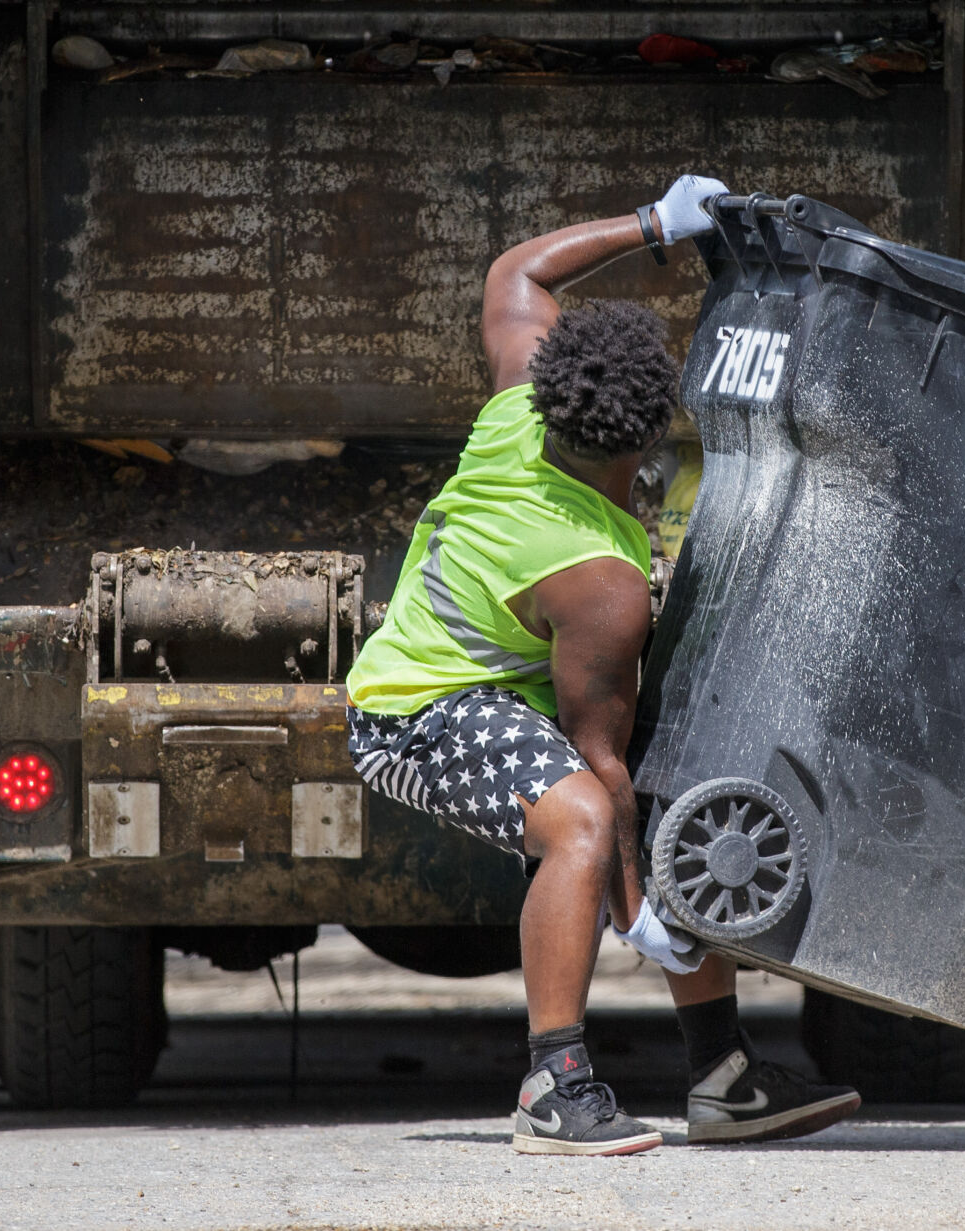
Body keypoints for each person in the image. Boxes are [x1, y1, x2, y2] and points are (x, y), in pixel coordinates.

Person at [345, 175, 861, 1156]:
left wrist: (655, 224)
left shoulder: (519, 402)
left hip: (510, 683)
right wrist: (639, 910)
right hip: (416, 709)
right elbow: (601, 765)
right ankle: (555, 1084)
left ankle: (724, 1076)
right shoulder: (600, 580)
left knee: (682, 792)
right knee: (585, 821)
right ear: (646, 435)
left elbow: (517, 270)